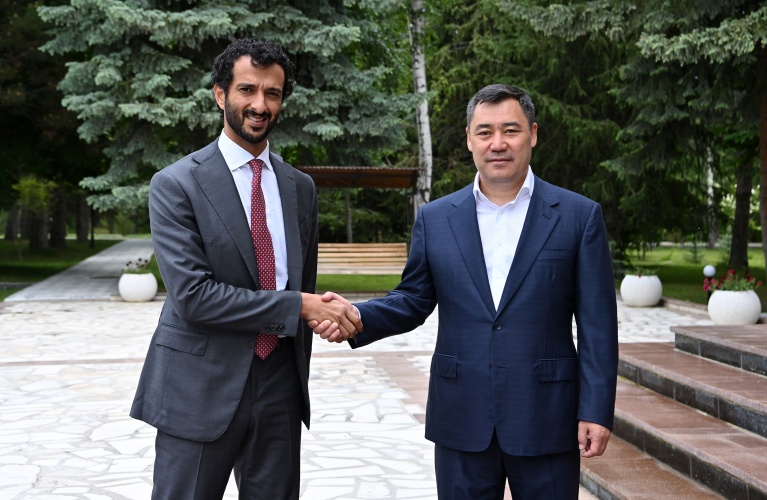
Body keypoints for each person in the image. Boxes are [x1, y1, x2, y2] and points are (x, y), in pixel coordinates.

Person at [313, 84, 618, 499]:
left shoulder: (579, 217)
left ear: (532, 134)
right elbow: (413, 299)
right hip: (461, 415)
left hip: (546, 416)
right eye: (485, 132)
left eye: (510, 130)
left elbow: (598, 326)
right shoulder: (437, 218)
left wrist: (596, 410)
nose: (498, 143)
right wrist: (356, 316)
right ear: (469, 139)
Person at [130, 38, 361, 499]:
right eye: (247, 90)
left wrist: (323, 315)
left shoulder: (300, 187)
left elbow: (302, 284)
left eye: (272, 93)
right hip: (199, 385)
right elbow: (194, 297)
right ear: (220, 94)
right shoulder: (176, 184)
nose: (260, 105)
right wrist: (300, 306)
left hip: (279, 383)